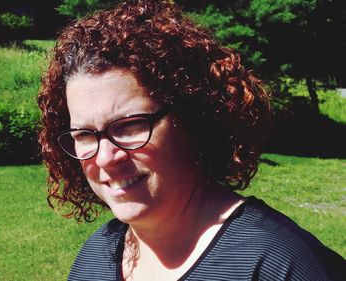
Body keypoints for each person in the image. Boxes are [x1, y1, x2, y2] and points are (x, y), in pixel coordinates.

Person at [37, 0, 345, 280]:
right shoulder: (94, 260)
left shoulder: (280, 264)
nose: (105, 158)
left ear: (193, 119)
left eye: (129, 126)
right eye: (85, 135)